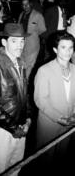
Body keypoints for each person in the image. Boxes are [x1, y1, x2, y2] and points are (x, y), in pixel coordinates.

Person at [0, 23, 32, 176]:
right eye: (14, 41)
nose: (20, 45)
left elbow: (25, 95)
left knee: (15, 169)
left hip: (20, 128)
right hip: (1, 131)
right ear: (4, 42)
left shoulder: (20, 64)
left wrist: (28, 118)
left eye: (22, 41)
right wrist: (13, 127)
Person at [34, 30, 75, 174]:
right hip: (50, 125)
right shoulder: (44, 71)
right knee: (46, 162)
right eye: (63, 47)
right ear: (55, 49)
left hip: (69, 124)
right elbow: (40, 100)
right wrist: (59, 118)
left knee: (62, 160)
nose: (67, 51)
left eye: (70, 47)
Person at [18, 0, 46, 79]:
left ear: (30, 4)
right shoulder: (21, 14)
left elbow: (43, 29)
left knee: (29, 65)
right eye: (23, 5)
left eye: (27, 4)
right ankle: (22, 82)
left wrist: (33, 34)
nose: (25, 6)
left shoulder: (38, 15)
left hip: (32, 44)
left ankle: (24, 84)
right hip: (21, 42)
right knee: (22, 63)